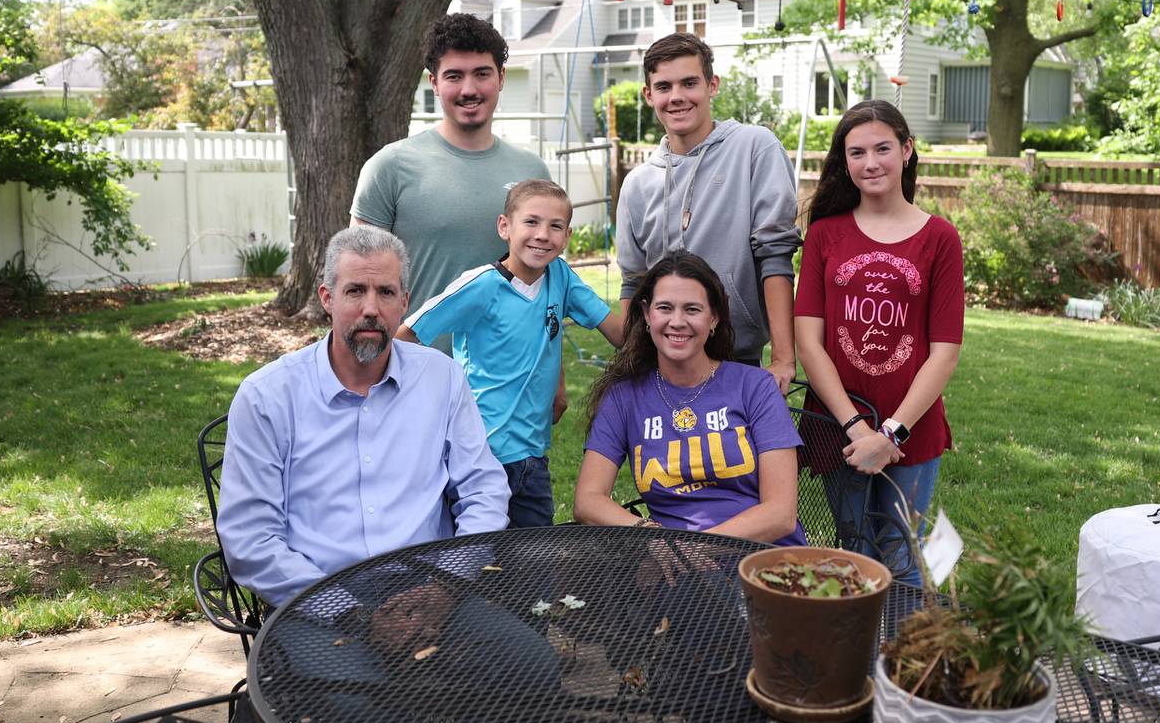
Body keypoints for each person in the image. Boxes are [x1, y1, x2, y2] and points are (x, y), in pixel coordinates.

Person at [217, 224, 510, 607]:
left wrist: (445, 587)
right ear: (327, 298)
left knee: (530, 660)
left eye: (385, 292)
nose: (371, 309)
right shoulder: (267, 396)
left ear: (404, 303)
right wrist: (347, 613)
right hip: (316, 598)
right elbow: (250, 538)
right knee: (355, 670)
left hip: (432, 588)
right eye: (355, 291)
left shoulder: (442, 378)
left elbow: (484, 489)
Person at [793, 100, 964, 580]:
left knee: (901, 551)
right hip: (837, 426)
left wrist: (890, 435)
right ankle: (860, 654)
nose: (871, 163)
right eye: (857, 152)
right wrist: (856, 430)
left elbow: (945, 351)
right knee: (854, 551)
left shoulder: (940, 238)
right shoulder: (825, 235)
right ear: (844, 163)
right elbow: (809, 341)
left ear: (907, 150)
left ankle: (904, 654)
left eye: (883, 148)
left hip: (912, 429)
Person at [398, 179, 624, 527]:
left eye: (555, 226)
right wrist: (425, 401)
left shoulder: (560, 276)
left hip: (533, 458)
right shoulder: (480, 285)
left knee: (534, 568)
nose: (543, 234)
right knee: (476, 564)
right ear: (505, 226)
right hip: (480, 456)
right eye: (531, 222)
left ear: (566, 237)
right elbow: (406, 335)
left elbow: (618, 333)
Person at [574, 250, 803, 545]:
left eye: (692, 309)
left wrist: (700, 546)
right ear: (647, 314)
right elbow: (588, 500)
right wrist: (651, 535)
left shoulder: (755, 386)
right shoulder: (624, 397)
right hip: (674, 564)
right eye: (665, 308)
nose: (677, 321)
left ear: (714, 318)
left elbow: (780, 514)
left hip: (764, 557)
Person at [615, 33, 802, 394]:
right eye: (664, 86)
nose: (677, 97)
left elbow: (776, 254)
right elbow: (633, 282)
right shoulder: (638, 184)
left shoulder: (754, 148)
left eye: (689, 83)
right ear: (648, 95)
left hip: (739, 360)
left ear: (712, 85)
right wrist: (631, 361)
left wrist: (782, 358)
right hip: (662, 365)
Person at [349, 13, 550, 348]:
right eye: (454, 76)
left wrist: (553, 374)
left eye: (482, 74)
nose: (469, 89)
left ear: (500, 78)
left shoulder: (532, 172)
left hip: (510, 380)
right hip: (415, 371)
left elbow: (548, 287)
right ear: (434, 82)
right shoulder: (389, 167)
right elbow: (359, 280)